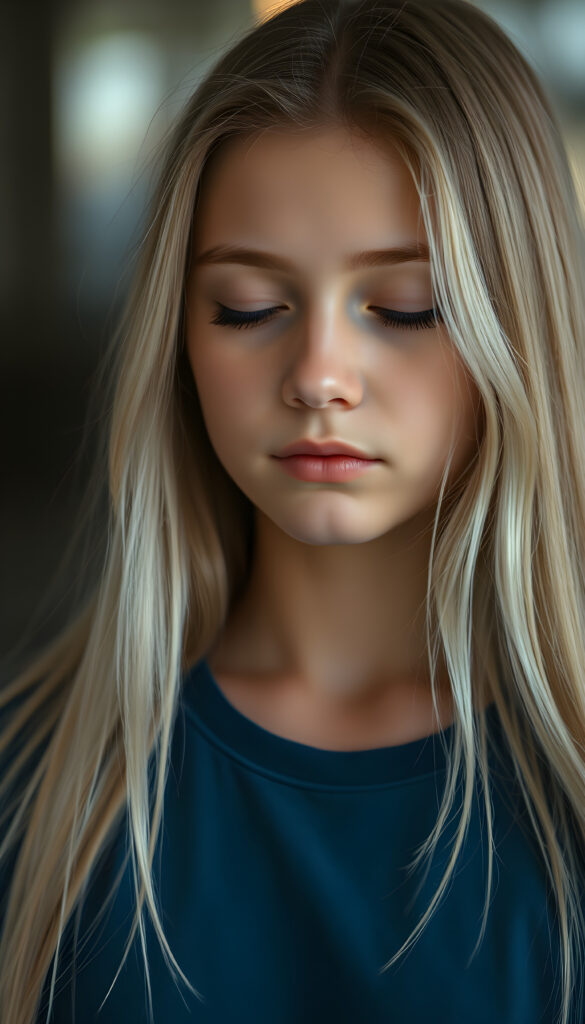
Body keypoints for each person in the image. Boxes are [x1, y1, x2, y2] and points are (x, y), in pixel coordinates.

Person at [1, 0, 585, 1020]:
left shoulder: (562, 792)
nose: (319, 375)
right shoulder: (36, 789)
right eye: (248, 307)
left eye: (406, 306)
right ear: (176, 338)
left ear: (519, 326)